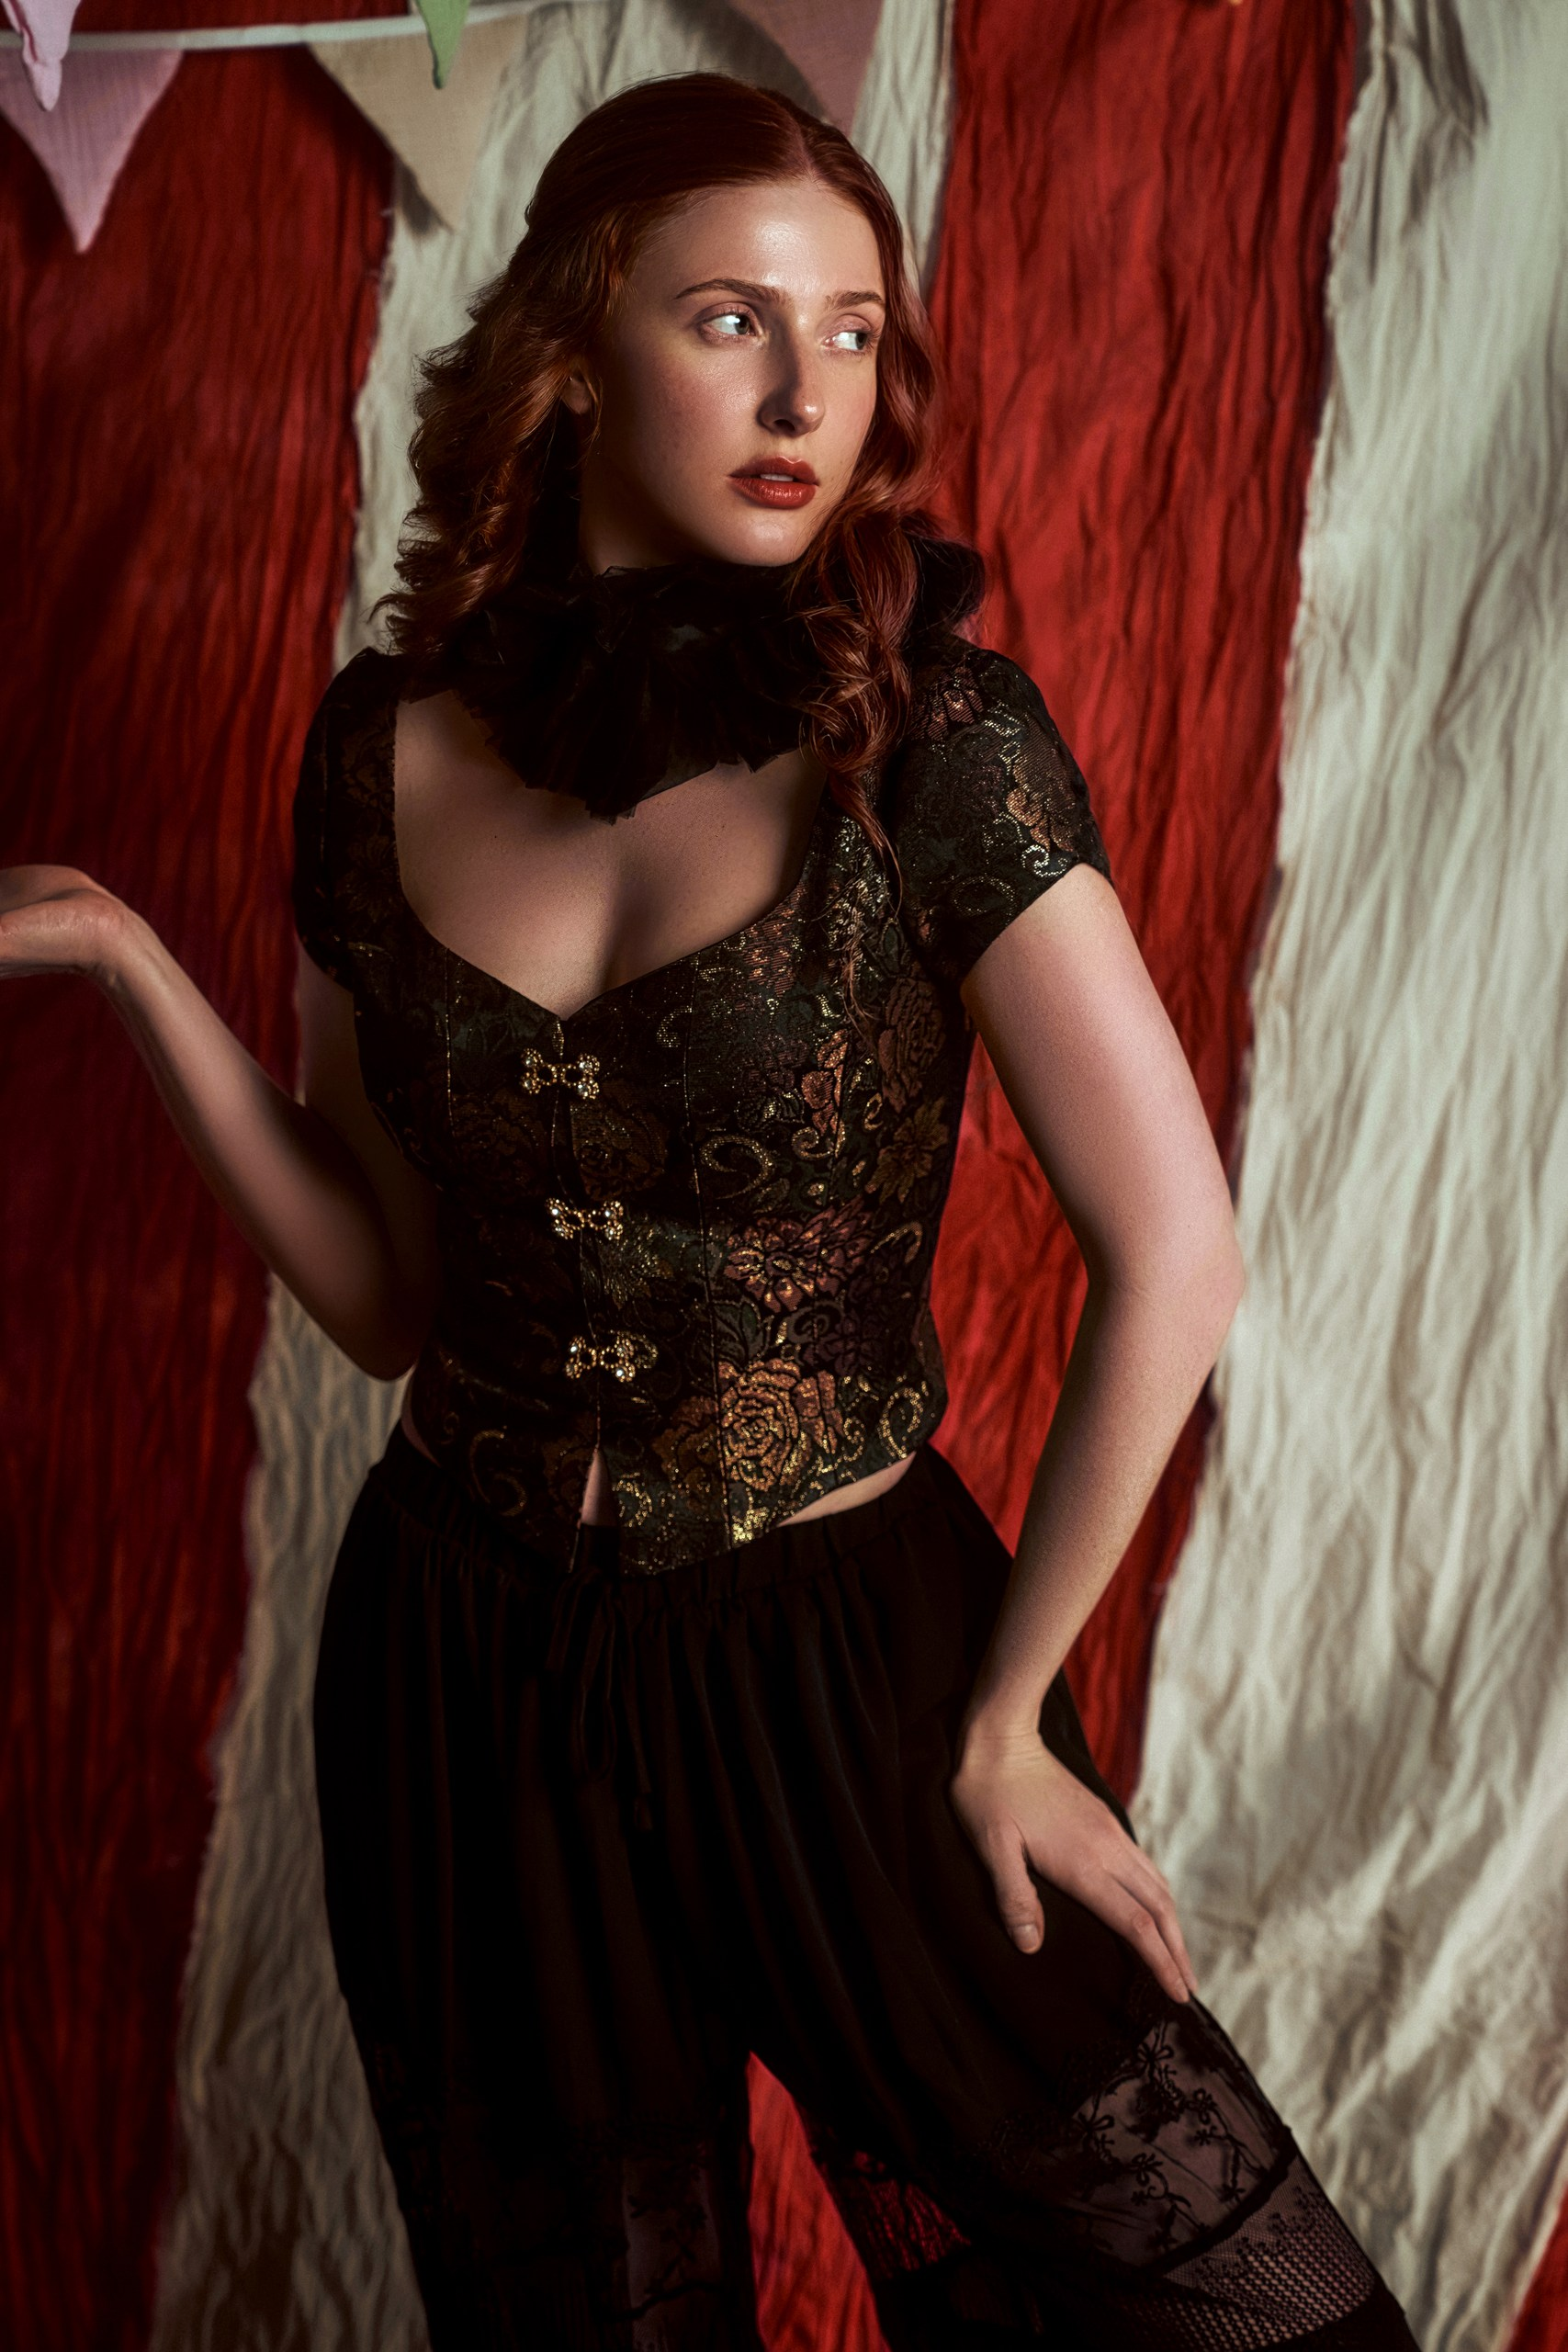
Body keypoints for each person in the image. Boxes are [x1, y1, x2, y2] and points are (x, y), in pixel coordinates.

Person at [0, 71, 1419, 2352]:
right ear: (573, 351)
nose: (803, 396)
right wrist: (124, 960)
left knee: (1250, 2315)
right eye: (733, 321)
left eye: (852, 335)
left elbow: (1180, 1250)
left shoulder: (925, 733)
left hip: (849, 1651)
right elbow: (381, 1294)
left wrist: (1003, 1723)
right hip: (461, 1659)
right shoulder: (379, 754)